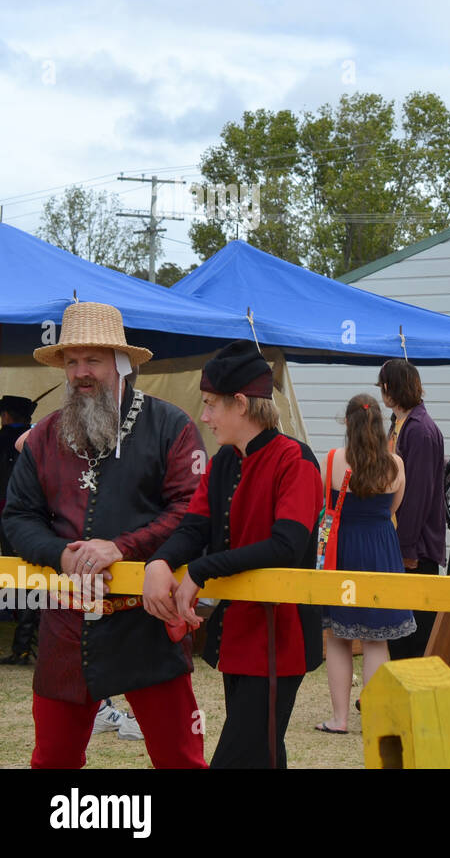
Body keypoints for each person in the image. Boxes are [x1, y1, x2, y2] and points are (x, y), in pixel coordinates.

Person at [1, 302, 206, 768]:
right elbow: (18, 518)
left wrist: (122, 547)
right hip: (67, 624)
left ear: (120, 363)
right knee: (52, 759)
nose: (79, 373)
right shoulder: (45, 436)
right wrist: (62, 555)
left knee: (179, 758)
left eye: (91, 360)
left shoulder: (170, 426)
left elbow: (191, 511)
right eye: (71, 362)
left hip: (145, 620)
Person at [143, 340, 323, 768]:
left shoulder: (296, 461)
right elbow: (194, 526)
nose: (203, 416)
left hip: (282, 635)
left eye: (210, 405)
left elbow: (286, 546)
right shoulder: (224, 461)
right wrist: (160, 561)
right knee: (263, 753)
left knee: (239, 757)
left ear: (240, 403)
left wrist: (202, 570)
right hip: (237, 632)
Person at [316, 394, 414, 734]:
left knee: (339, 638)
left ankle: (339, 719)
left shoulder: (331, 460)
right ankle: (372, 720)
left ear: (347, 423)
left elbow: (323, 505)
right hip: (382, 551)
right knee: (377, 640)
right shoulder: (395, 465)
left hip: (342, 552)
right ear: (378, 425)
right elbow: (392, 510)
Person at [377, 359, 447, 660]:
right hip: (399, 538)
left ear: (391, 388)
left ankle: (411, 700)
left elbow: (418, 494)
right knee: (397, 630)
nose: (381, 392)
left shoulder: (419, 430)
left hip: (415, 547)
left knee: (414, 634)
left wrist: (406, 547)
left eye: (382, 385)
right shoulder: (400, 423)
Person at [0, 395, 38, 664]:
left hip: (8, 519)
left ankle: (22, 643)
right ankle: (24, 642)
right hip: (35, 520)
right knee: (30, 578)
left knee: (16, 578)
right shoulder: (40, 439)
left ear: (6, 416)